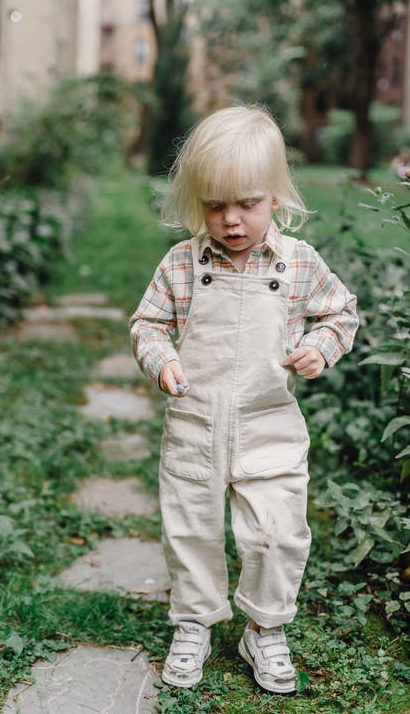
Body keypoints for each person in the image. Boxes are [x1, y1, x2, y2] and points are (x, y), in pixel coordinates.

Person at [129, 105, 359, 694]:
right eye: (214, 205)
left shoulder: (298, 262)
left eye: (247, 203)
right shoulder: (183, 262)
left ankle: (265, 625)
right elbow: (148, 325)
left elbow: (341, 312)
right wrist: (163, 360)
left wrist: (319, 347)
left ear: (275, 196)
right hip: (195, 424)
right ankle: (195, 621)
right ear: (196, 202)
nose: (231, 220)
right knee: (191, 530)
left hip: (269, 422)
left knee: (277, 532)